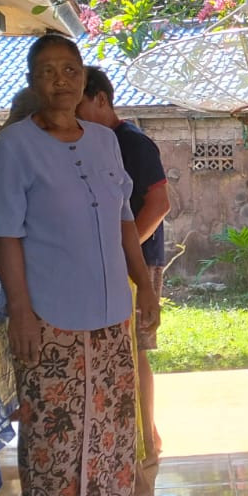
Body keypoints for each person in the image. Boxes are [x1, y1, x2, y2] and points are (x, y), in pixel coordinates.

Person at [0, 32, 161, 496]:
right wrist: (21, 311)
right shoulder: (14, 147)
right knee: (54, 426)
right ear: (33, 81)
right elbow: (6, 235)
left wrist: (144, 284)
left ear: (83, 77)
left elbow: (125, 220)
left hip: (110, 309)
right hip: (50, 311)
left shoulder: (104, 142)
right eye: (47, 71)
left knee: (105, 421)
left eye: (70, 70)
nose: (60, 80)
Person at [79, 66, 171, 464]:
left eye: (78, 103)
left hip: (136, 265)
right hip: (107, 262)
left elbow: (158, 203)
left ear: (101, 99)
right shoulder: (88, 144)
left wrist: (127, 252)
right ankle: (137, 435)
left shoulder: (132, 143)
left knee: (136, 352)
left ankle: (147, 440)